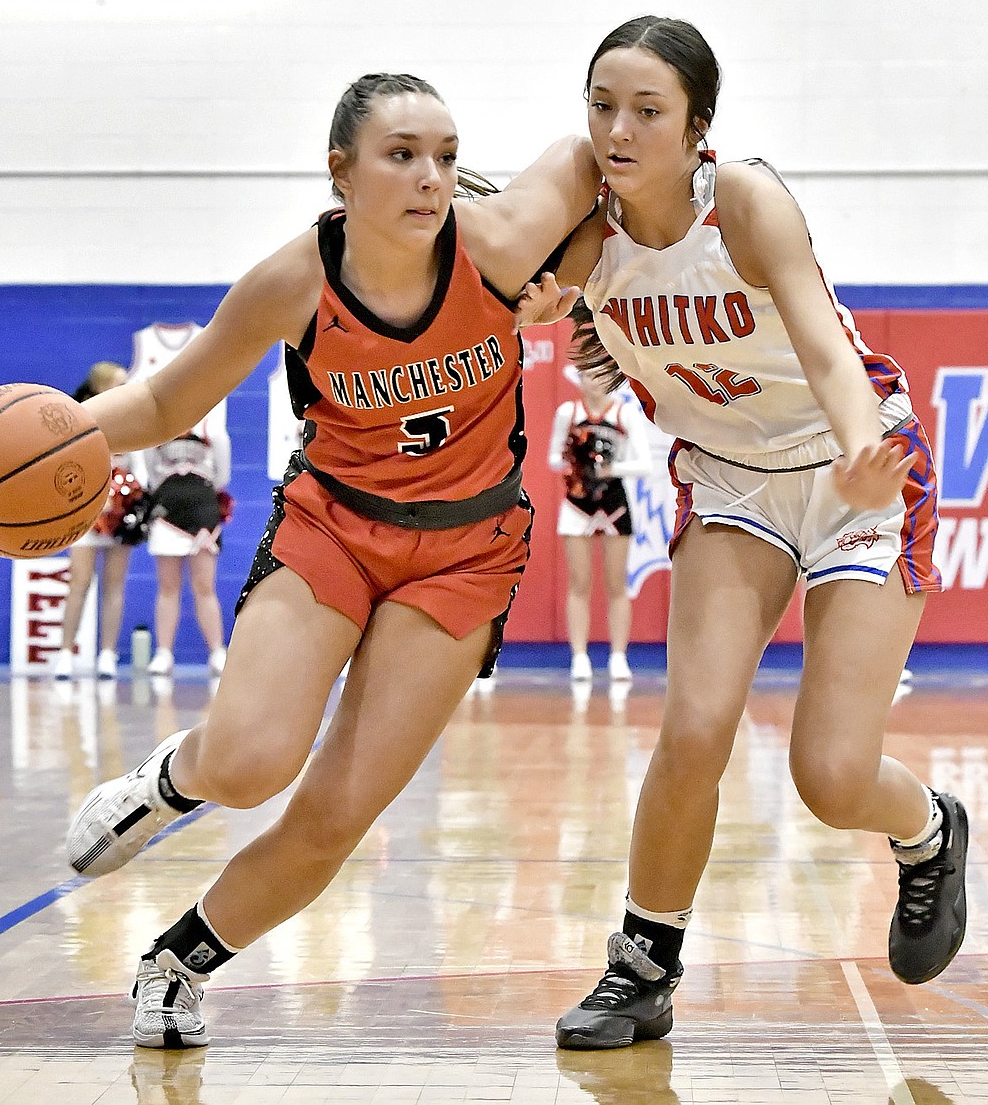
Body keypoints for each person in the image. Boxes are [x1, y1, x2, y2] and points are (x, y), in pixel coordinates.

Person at [62, 72, 599, 1048]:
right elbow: (159, 406)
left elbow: (585, 161)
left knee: (334, 813)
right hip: (335, 527)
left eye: (444, 153)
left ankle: (177, 961)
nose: (431, 176)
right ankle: (170, 780)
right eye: (401, 154)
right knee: (251, 758)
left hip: (466, 554)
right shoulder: (292, 282)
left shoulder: (493, 246)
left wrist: (574, 271)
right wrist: (62, 433)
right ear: (339, 171)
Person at [521, 17, 968, 1050]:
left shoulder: (746, 202)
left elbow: (822, 342)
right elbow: (512, 297)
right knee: (693, 723)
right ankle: (640, 965)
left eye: (646, 110)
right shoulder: (582, 229)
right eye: (600, 105)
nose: (617, 129)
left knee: (828, 775)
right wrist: (518, 307)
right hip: (729, 479)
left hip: (852, 466)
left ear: (698, 129)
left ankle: (928, 828)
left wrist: (859, 446)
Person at [548, 299, 652, 683]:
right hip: (576, 503)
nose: (593, 379)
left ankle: (619, 656)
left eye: (599, 372)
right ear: (578, 375)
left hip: (614, 502)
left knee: (615, 582)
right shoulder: (567, 414)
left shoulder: (625, 414)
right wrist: (574, 460)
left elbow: (643, 464)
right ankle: (579, 657)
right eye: (586, 372)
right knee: (579, 581)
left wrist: (609, 467)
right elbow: (553, 460)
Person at [54, 362, 149, 680]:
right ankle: (65, 652)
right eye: (118, 384)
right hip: (85, 508)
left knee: (114, 584)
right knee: (79, 582)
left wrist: (134, 497)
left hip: (119, 509)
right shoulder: (78, 416)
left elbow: (140, 463)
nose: (124, 389)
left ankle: (107, 653)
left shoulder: (133, 418)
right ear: (99, 387)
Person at [142, 405, 231, 677]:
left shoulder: (212, 430)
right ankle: (163, 653)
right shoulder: (157, 429)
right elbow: (151, 473)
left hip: (202, 512)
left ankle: (217, 651)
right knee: (167, 586)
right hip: (167, 512)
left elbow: (222, 476)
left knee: (204, 586)